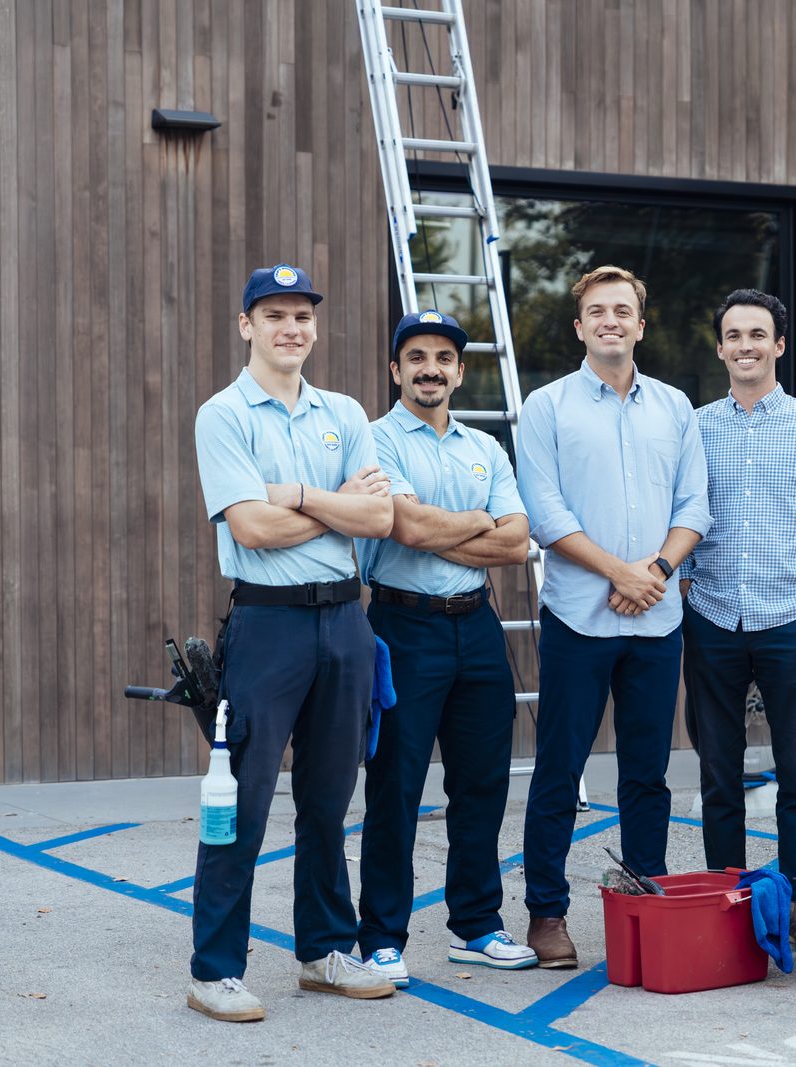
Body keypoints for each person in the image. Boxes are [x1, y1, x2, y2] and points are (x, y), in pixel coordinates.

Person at [188, 264, 396, 1022]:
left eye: (302, 315)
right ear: (247, 325)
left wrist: (300, 496)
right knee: (239, 801)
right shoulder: (224, 415)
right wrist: (339, 506)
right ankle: (214, 968)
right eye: (274, 314)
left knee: (328, 797)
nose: (291, 328)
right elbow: (251, 527)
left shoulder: (343, 411)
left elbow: (380, 521)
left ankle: (324, 953)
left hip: (345, 621)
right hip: (267, 623)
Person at [515, 266, 711, 968]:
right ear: (579, 326)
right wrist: (619, 572)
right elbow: (545, 514)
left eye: (622, 310)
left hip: (656, 620)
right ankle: (546, 913)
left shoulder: (675, 406)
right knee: (560, 769)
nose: (609, 321)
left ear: (640, 323)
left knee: (647, 774)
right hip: (578, 617)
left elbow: (695, 506)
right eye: (596, 311)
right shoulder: (547, 407)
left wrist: (654, 572)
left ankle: (645, 899)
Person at [356, 310, 538, 987]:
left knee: (482, 782)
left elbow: (517, 543)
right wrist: (474, 522)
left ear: (460, 371)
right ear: (396, 370)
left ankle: (476, 924)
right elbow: (401, 525)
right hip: (403, 627)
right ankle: (380, 936)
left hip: (477, 626)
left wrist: (440, 529)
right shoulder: (374, 441)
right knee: (396, 786)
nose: (430, 367)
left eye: (443, 357)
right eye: (416, 357)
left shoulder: (485, 448)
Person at [681, 288, 796, 919]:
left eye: (758, 335)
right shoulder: (694, 428)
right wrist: (688, 586)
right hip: (713, 616)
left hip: (792, 618)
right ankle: (727, 900)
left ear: (779, 345)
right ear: (720, 347)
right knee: (719, 774)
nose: (745, 346)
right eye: (734, 335)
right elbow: (684, 516)